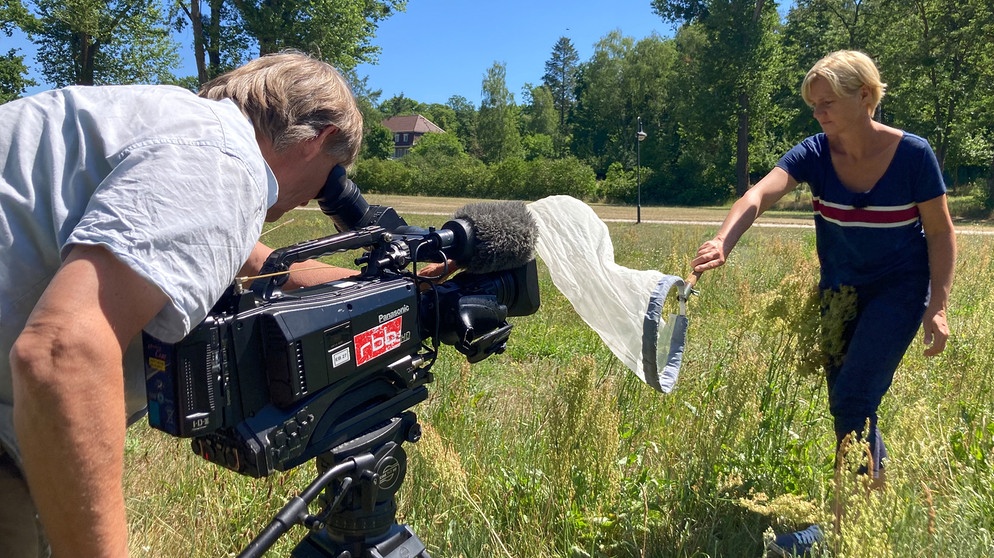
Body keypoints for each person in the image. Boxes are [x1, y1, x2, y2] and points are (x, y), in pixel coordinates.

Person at [0, 51, 362, 557]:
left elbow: (261, 261)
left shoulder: (173, 124)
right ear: (318, 140)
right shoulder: (223, 160)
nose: (317, 198)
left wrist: (383, 286)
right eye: (332, 175)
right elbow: (64, 353)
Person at [690, 50, 956, 555]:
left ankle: (840, 529)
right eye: (813, 105)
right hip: (838, 294)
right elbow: (757, 196)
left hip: (898, 290)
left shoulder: (914, 156)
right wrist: (723, 241)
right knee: (853, 408)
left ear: (865, 97)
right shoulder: (814, 152)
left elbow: (941, 234)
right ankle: (868, 515)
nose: (819, 113)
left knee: (854, 396)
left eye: (827, 102)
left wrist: (937, 305)